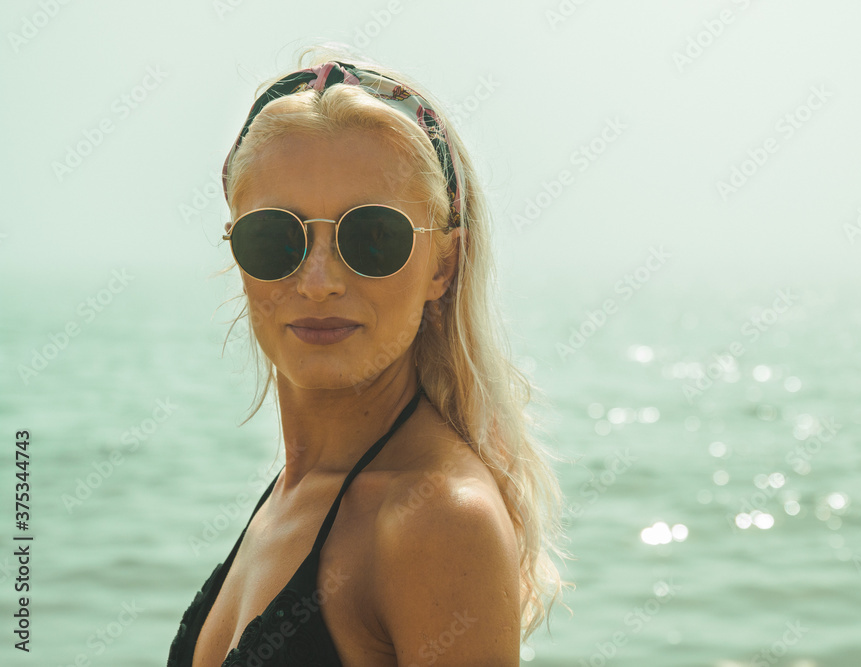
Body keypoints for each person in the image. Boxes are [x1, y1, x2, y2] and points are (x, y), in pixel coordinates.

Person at [167, 44, 570, 666]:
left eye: (372, 237)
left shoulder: (436, 521)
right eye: (276, 237)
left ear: (444, 263)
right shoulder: (301, 490)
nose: (318, 280)